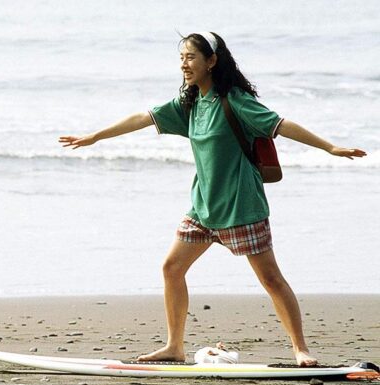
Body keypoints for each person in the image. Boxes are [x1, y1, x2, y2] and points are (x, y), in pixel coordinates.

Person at [59, 32, 366, 366]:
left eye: (191, 57)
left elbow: (281, 125)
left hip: (241, 206)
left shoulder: (234, 100)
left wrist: (330, 147)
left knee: (271, 279)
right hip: (203, 207)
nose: (184, 64)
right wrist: (95, 137)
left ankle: (300, 349)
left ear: (212, 61)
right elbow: (142, 118)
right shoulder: (189, 104)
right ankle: (174, 346)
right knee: (172, 268)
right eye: (181, 58)